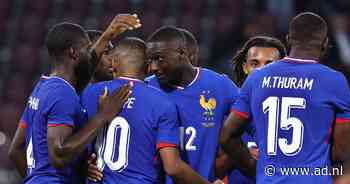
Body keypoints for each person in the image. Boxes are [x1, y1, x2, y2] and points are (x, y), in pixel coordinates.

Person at [8, 14, 141, 184]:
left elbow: (15, 149)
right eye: (87, 48)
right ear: (73, 52)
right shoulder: (62, 94)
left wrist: (108, 34)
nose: (90, 53)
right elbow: (59, 155)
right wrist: (102, 116)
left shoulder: (43, 87)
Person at [220, 12, 350, 184]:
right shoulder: (334, 81)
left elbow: (226, 137)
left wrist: (254, 168)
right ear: (325, 43)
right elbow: (341, 151)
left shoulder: (257, 78)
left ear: (288, 39)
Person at [81, 37, 214, 184]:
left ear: (114, 62)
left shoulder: (90, 94)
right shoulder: (162, 103)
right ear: (148, 67)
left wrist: (82, 166)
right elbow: (172, 167)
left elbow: (73, 146)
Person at [146, 26, 238, 183]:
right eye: (150, 61)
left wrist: (237, 155)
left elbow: (253, 122)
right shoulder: (147, 89)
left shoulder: (220, 85)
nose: (153, 67)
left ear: (181, 53)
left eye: (159, 59)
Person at [223, 36, 287, 184]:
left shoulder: (298, 110)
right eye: (254, 64)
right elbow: (213, 167)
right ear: (245, 67)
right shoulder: (226, 108)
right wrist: (238, 153)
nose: (261, 71)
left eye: (269, 65)